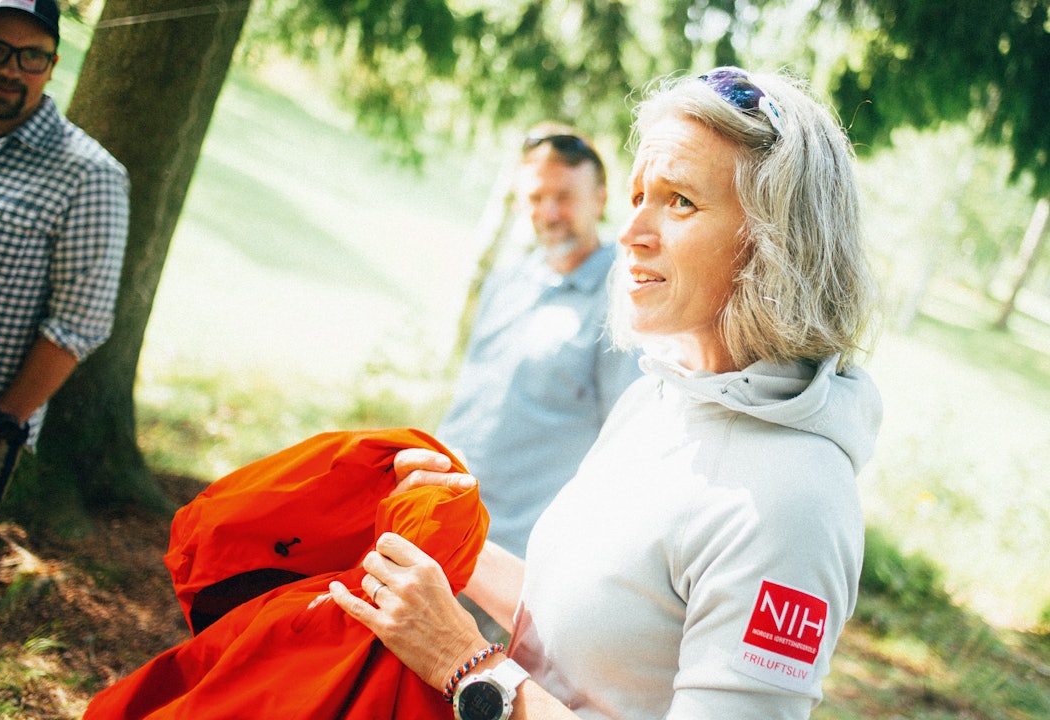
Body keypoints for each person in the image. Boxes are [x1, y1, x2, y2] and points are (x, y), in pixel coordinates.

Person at [330, 66, 882, 720]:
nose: (632, 233)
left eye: (679, 201)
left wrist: (467, 666)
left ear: (779, 241)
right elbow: (580, 620)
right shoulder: (660, 398)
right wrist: (453, 536)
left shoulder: (795, 505)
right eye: (638, 195)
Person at [438, 121, 641, 561]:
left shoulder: (625, 305)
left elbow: (625, 448)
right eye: (535, 198)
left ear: (600, 199)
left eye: (564, 197)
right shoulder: (507, 280)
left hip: (519, 557)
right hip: (440, 525)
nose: (548, 213)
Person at [0, 0, 130, 549]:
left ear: (52, 64)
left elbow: (79, 324)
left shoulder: (88, 174)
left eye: (31, 56)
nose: (12, 69)